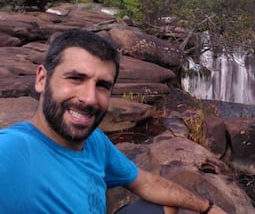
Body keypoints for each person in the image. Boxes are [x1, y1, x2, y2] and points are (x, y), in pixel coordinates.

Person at [0, 30, 227, 214]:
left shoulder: (94, 141)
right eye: (75, 78)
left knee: (166, 205)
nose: (89, 98)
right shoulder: (12, 151)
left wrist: (207, 208)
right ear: (42, 79)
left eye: (102, 85)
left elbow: (144, 183)